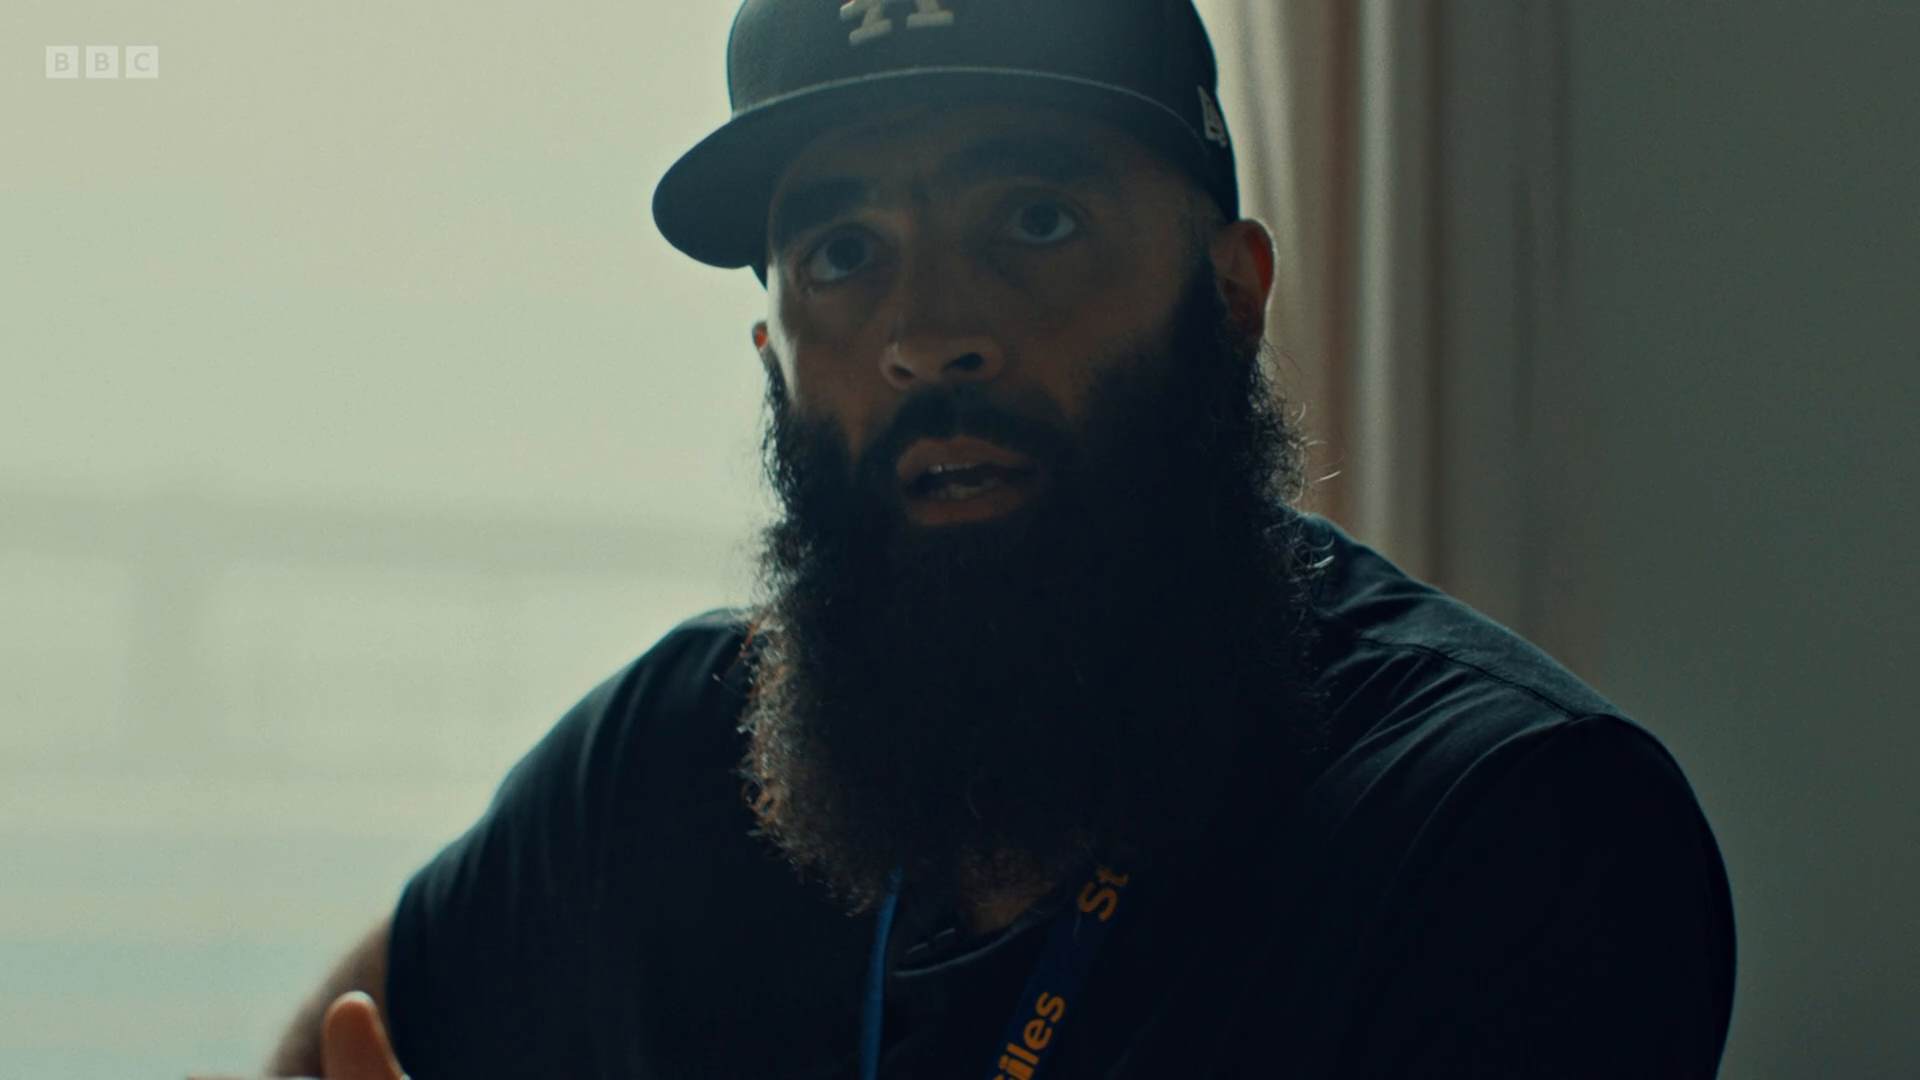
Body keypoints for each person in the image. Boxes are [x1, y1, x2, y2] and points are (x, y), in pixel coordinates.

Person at [254, 1, 1736, 1077]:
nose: (930, 333)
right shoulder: (659, 764)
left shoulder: (1508, 829)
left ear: (1231, 295)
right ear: (776, 360)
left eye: (1034, 220)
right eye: (844, 254)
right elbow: (341, 1048)